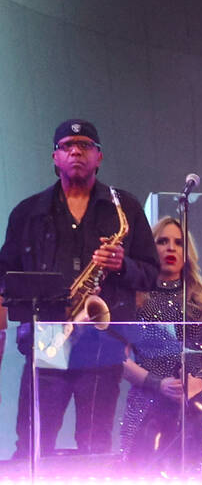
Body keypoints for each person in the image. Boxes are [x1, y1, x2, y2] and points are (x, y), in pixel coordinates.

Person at [0, 119, 158, 457]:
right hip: (48, 340)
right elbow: (5, 276)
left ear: (99, 156)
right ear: (54, 157)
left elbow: (152, 275)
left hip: (102, 343)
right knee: (32, 445)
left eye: (85, 145)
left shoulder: (125, 208)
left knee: (95, 445)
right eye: (67, 146)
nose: (76, 151)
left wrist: (123, 264)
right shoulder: (27, 212)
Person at [120, 217, 202, 469]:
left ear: (187, 252)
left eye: (178, 243)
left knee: (197, 473)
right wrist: (157, 384)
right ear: (150, 247)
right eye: (162, 241)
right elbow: (120, 359)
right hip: (147, 396)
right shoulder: (134, 298)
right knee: (146, 478)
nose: (171, 248)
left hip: (197, 395)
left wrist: (198, 382)